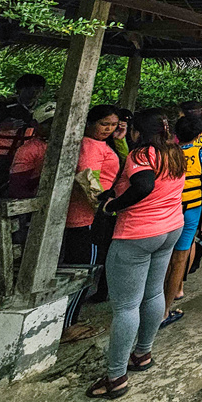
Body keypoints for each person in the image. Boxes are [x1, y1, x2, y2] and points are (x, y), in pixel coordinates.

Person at [85, 109, 185, 400]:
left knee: (126, 307)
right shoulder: (174, 152)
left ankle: (115, 377)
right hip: (171, 228)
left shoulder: (141, 156)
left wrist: (111, 206)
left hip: (137, 233)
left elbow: (143, 184)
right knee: (153, 294)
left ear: (137, 132)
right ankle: (143, 354)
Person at [61, 104, 121, 342]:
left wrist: (119, 139)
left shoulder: (101, 144)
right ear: (90, 122)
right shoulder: (89, 145)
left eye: (113, 125)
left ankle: (70, 320)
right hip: (87, 216)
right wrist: (102, 206)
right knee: (84, 270)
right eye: (103, 124)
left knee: (86, 267)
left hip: (89, 214)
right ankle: (68, 325)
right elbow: (88, 177)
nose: (108, 129)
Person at [161, 116, 202, 325]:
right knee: (181, 255)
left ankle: (159, 297)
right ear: (198, 136)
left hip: (167, 209)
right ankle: (171, 299)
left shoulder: (166, 154)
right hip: (192, 209)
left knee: (164, 254)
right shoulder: (201, 154)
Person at [0, 73, 46, 196]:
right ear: (19, 89)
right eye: (29, 88)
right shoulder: (0, 107)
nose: (33, 93)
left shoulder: (43, 111)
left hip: (27, 160)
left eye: (38, 89)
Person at [7, 102, 56, 199]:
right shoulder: (28, 150)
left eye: (56, 121)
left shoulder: (70, 144)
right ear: (35, 125)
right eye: (47, 123)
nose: (53, 126)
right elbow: (16, 189)